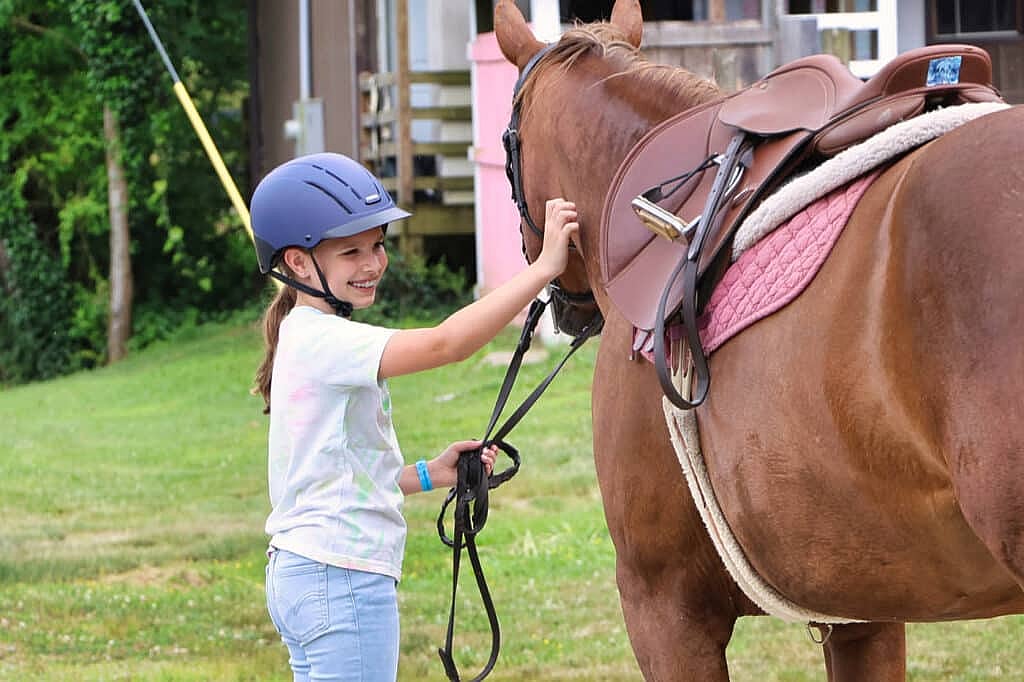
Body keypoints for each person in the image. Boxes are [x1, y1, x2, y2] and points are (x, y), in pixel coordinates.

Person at [249, 152, 578, 682]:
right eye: (351, 251)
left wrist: (431, 472)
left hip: (306, 573)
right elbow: (446, 343)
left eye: (377, 245)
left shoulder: (303, 334)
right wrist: (543, 270)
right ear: (298, 262)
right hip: (343, 579)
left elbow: (342, 478)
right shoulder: (324, 339)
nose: (373, 263)